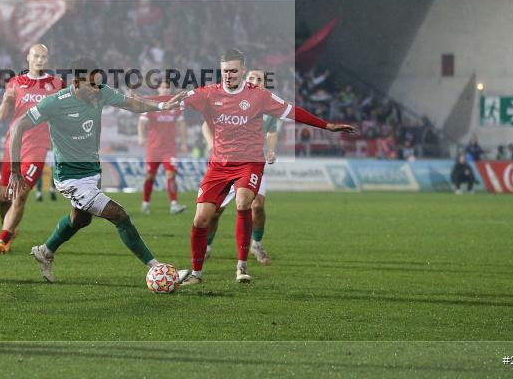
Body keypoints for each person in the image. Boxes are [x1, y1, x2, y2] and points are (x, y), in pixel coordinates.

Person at [177, 49, 354, 285]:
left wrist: (326, 125)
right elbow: (185, 108)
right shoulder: (211, 94)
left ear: (243, 71)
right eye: (225, 71)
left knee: (247, 203)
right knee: (203, 218)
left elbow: (291, 113)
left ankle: (243, 264)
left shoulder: (260, 98)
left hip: (250, 161)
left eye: (233, 71)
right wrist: (143, 103)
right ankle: (198, 271)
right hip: (220, 164)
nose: (229, 75)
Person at [7, 58, 179, 283]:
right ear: (77, 83)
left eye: (99, 83)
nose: (97, 89)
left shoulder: (101, 93)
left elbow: (132, 104)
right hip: (70, 178)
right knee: (120, 215)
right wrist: (14, 170)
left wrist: (161, 105)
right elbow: (18, 125)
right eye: (92, 85)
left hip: (92, 172)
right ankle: (157, 269)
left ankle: (45, 252)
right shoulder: (55, 103)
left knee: (80, 220)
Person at [0, 44, 64, 254]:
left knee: (20, 195)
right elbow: (1, 116)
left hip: (36, 147)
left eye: (44, 56)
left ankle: (2, 240)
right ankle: (7, 229)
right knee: (4, 196)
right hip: (12, 146)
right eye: (36, 56)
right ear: (28, 58)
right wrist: (5, 100)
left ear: (47, 60)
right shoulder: (16, 82)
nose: (40, 60)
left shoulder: (57, 85)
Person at [200, 69, 278, 265]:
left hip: (253, 164)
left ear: (264, 84)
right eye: (252, 77)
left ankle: (256, 245)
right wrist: (211, 144)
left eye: (259, 79)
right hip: (226, 165)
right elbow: (206, 124)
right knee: (216, 212)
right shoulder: (231, 100)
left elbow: (271, 132)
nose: (255, 81)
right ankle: (207, 247)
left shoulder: (268, 107)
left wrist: (271, 150)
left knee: (257, 206)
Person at [138, 80, 187, 215]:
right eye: (162, 87)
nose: (165, 90)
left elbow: (181, 125)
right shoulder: (152, 103)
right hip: (153, 148)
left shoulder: (175, 105)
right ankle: (145, 203)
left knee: (171, 175)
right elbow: (142, 123)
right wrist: (141, 136)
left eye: (167, 88)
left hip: (169, 148)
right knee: (150, 177)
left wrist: (183, 142)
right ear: (158, 89)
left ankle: (174, 204)